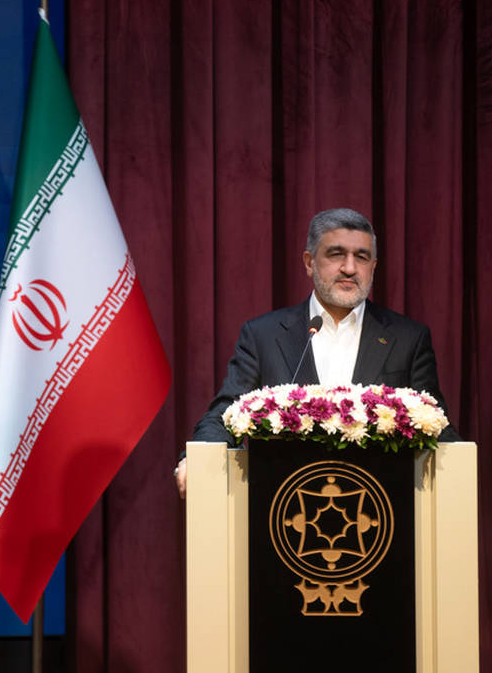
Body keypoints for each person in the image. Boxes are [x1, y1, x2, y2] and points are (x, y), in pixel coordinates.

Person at [174, 207, 460, 497]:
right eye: (336, 254)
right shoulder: (263, 335)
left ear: (373, 267)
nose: (350, 268)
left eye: (361, 257)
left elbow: (435, 423)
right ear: (309, 263)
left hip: (379, 507)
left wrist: (461, 466)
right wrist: (199, 459)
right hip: (283, 506)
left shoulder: (408, 338)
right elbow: (225, 414)